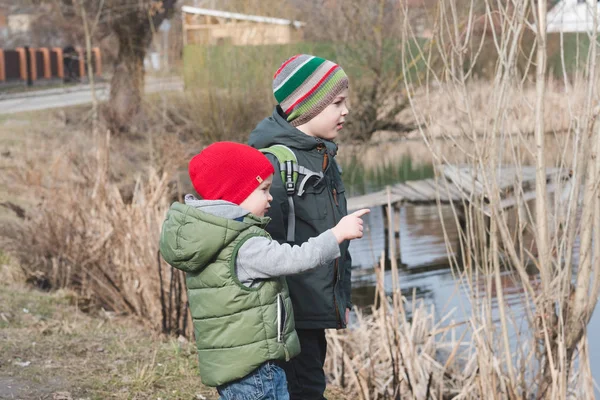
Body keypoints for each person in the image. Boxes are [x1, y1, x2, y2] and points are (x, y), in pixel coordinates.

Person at [159, 142, 369, 400]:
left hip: (232, 365)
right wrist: (337, 234)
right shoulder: (246, 245)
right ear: (235, 195)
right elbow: (295, 258)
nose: (270, 197)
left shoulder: (209, 238)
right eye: (263, 189)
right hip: (257, 366)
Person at [248, 54, 353, 399]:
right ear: (307, 107)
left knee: (309, 384)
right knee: (301, 388)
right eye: (337, 102)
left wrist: (342, 297)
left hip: (312, 304)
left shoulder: (324, 156)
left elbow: (336, 235)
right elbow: (258, 244)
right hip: (287, 308)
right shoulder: (274, 166)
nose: (346, 111)